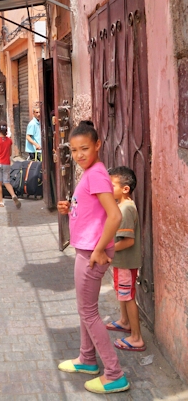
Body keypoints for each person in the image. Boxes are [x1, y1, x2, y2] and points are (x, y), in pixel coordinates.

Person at [57, 120, 130, 395]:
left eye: (85, 148)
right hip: (87, 249)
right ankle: (87, 359)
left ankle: (114, 374)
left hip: (92, 253)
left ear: (98, 145)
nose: (79, 155)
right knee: (85, 309)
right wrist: (68, 208)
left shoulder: (97, 174)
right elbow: (91, 210)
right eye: (75, 150)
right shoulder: (89, 173)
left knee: (88, 312)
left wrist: (100, 249)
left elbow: (115, 215)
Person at [107, 166, 145, 351]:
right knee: (122, 292)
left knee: (128, 296)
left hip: (125, 262)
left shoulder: (126, 209)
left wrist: (107, 250)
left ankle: (137, 337)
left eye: (111, 185)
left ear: (125, 189)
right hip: (121, 262)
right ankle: (124, 321)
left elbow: (128, 241)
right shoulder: (122, 205)